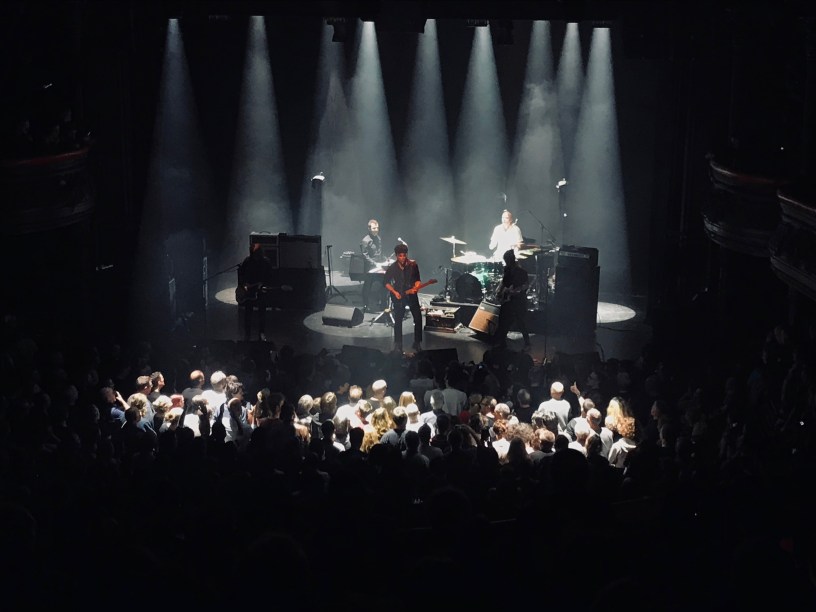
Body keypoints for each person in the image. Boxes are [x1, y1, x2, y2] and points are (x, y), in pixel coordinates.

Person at [384, 243, 423, 353]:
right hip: (399, 295)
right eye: (400, 256)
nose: (402, 258)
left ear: (406, 255)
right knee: (398, 319)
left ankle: (417, 342)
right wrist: (394, 292)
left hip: (411, 294)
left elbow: (417, 279)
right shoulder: (393, 267)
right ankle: (398, 344)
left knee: (418, 318)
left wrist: (416, 286)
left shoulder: (413, 265)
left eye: (404, 255)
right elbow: (386, 282)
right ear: (396, 255)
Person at [493, 249, 531, 349]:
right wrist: (499, 290)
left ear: (509, 260)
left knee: (520, 322)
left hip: (518, 301)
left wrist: (517, 290)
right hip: (508, 300)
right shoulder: (507, 270)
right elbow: (504, 282)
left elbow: (526, 285)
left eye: (506, 260)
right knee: (503, 321)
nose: (505, 263)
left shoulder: (522, 272)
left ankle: (527, 343)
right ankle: (502, 342)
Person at [237, 243, 274, 341]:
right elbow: (241, 274)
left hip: (260, 291)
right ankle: (247, 334)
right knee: (248, 313)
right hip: (249, 292)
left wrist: (264, 284)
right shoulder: (247, 261)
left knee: (262, 313)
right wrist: (243, 285)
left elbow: (270, 277)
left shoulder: (266, 262)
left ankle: (261, 333)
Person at [360, 219, 386, 311]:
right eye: (374, 228)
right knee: (367, 286)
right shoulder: (365, 240)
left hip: (379, 267)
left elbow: (379, 253)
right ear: (369, 229)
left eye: (377, 228)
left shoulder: (378, 238)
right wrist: (375, 263)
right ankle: (366, 305)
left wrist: (385, 259)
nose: (376, 230)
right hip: (369, 268)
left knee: (385, 284)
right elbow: (365, 256)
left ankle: (383, 304)